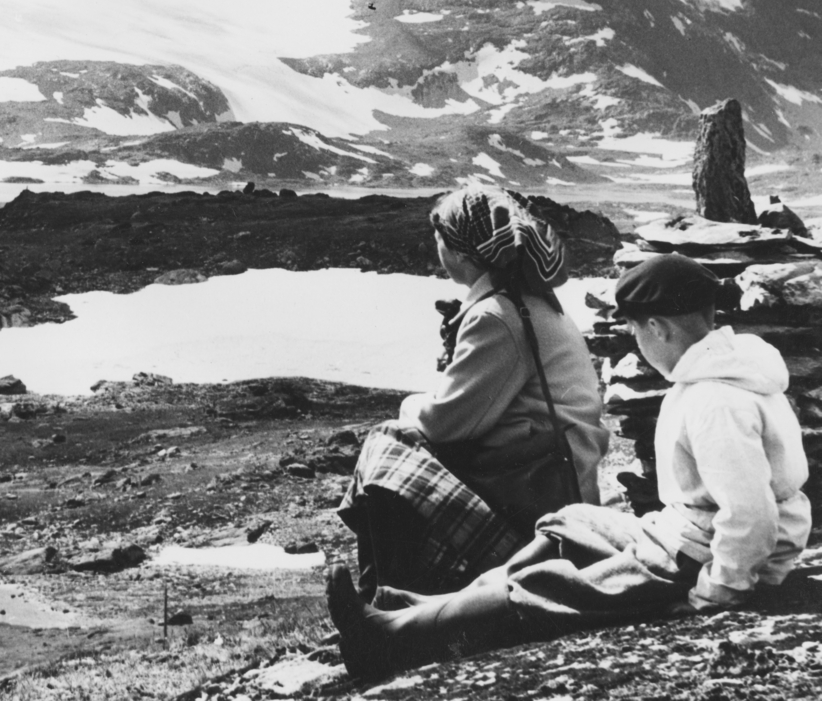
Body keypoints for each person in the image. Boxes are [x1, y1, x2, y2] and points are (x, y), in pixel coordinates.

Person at [327, 252, 812, 681]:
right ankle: (435, 608)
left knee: (554, 586)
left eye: (634, 330)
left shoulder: (716, 401)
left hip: (696, 557)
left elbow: (751, 516)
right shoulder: (723, 374)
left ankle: (393, 634)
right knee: (568, 524)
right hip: (684, 535)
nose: (634, 342)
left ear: (658, 328)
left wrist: (718, 593)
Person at [337, 186, 609, 600]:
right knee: (396, 451)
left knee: (387, 445)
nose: (438, 249)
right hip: (556, 477)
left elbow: (442, 423)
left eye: (441, 239)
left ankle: (383, 601)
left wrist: (410, 404)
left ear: (463, 252)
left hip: (536, 495)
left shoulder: (497, 316)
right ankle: (384, 600)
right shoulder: (525, 300)